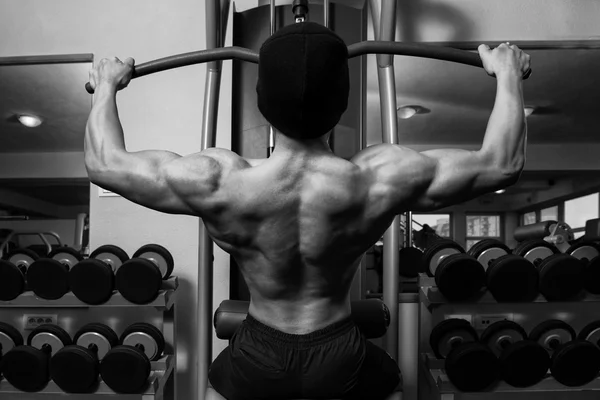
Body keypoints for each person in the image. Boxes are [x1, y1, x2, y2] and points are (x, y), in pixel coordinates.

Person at [85, 22, 530, 400]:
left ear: (264, 101)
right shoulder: (380, 176)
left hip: (257, 349)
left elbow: (104, 164)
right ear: (340, 102)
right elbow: (500, 163)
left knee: (215, 386)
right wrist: (507, 75)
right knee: (393, 383)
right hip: (339, 351)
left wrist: (107, 86)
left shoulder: (216, 179)